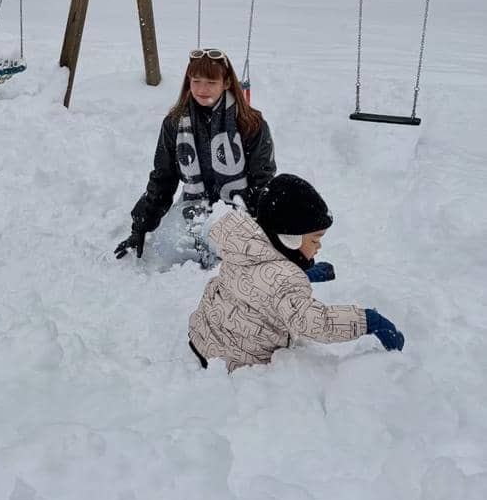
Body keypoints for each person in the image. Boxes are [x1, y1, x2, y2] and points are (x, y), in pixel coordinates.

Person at [188, 174, 405, 372]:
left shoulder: (244, 245)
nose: (319, 246)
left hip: (204, 338)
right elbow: (315, 322)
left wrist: (303, 272)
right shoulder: (285, 281)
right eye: (315, 240)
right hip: (237, 363)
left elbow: (261, 282)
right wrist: (368, 320)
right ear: (289, 238)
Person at [114, 49, 276, 267]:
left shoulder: (251, 124)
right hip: (193, 206)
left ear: (227, 83)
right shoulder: (174, 123)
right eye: (196, 81)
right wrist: (140, 227)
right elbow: (163, 178)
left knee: (229, 263)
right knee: (168, 254)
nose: (201, 89)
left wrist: (262, 233)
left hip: (240, 209)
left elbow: (262, 182)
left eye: (211, 82)